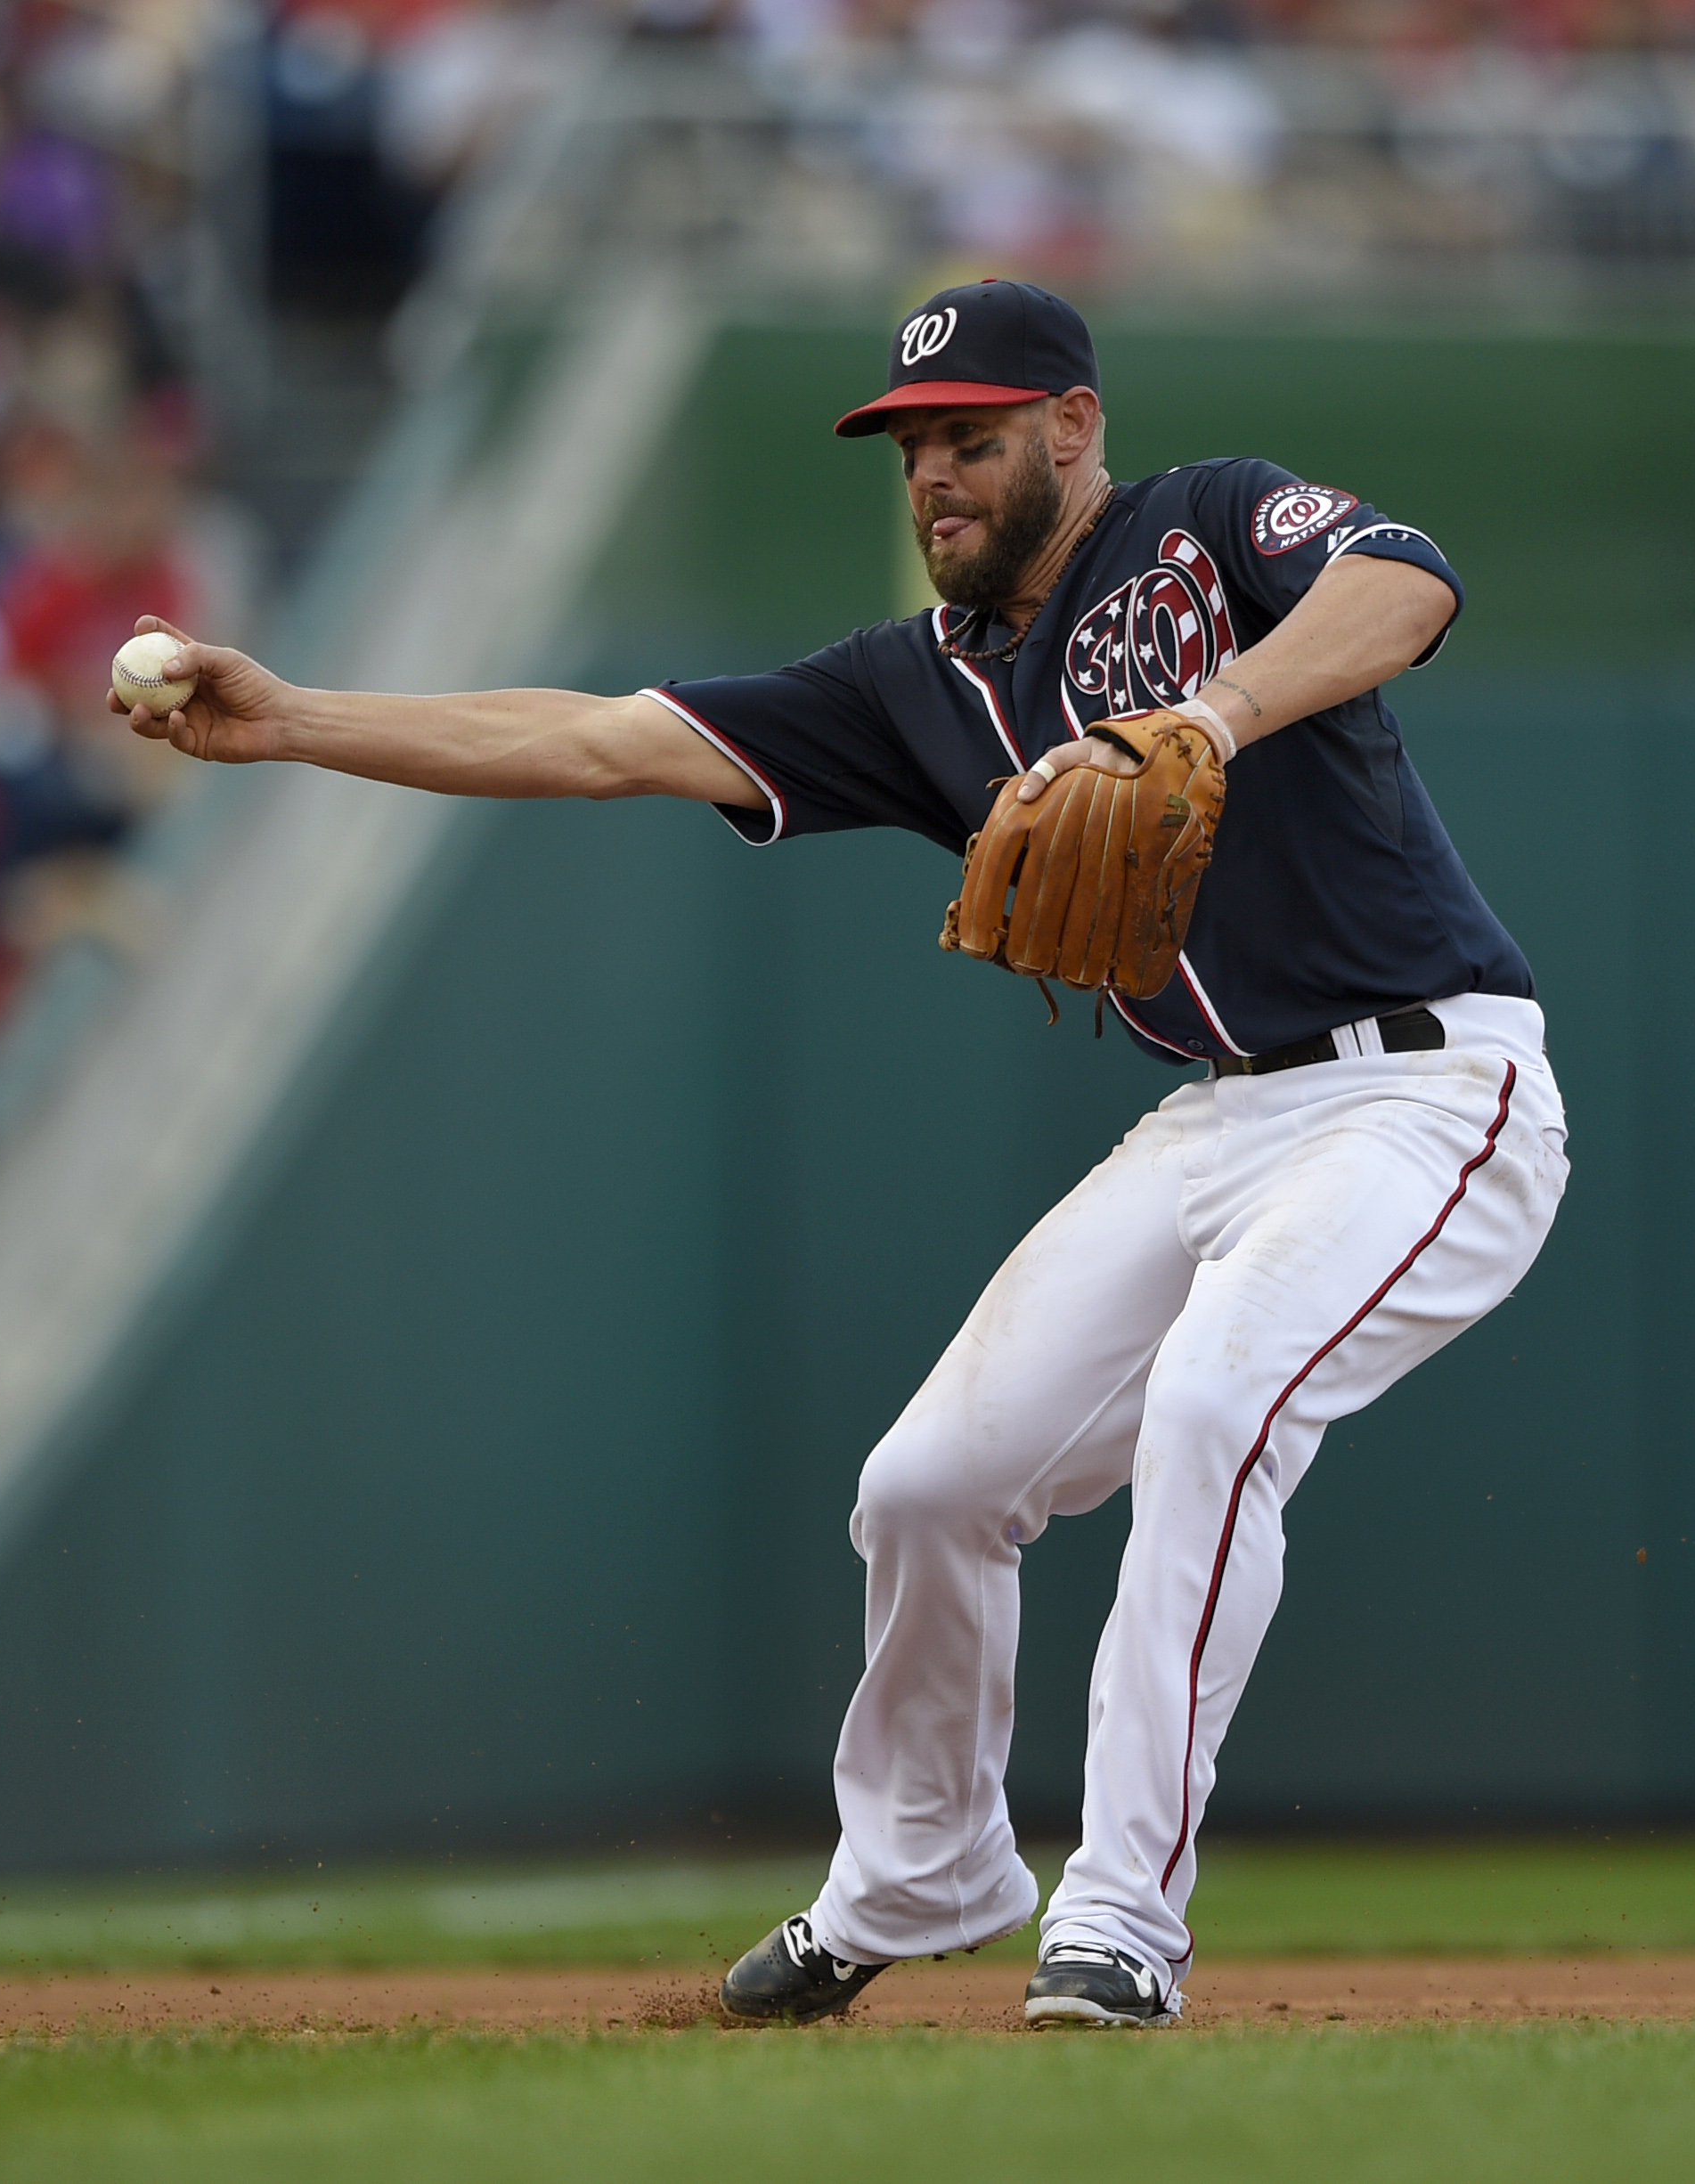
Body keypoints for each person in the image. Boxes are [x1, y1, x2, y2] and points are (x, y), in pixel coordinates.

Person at [113, 281, 1569, 2031]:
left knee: (1211, 1407)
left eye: (973, 436)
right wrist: (291, 719)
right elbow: (595, 739)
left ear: (1072, 429)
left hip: (1427, 1089)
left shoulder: (1206, 523)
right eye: (912, 447)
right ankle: (922, 1867)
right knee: (928, 1488)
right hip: (1218, 1112)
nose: (936, 475)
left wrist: (1209, 714)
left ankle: (1117, 1916)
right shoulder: (917, 687)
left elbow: (1408, 582)